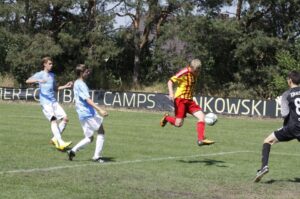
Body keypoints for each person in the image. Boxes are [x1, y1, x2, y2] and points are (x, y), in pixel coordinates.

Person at [254, 70, 300, 182]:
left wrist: (280, 104)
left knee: (267, 141)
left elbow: (285, 114)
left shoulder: (286, 95)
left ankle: (264, 167)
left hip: (292, 127)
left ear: (290, 80)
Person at [160, 59, 214, 146]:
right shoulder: (184, 72)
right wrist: (171, 93)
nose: (197, 73)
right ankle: (166, 118)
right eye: (195, 71)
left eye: (198, 71)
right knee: (178, 124)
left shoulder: (196, 73)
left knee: (202, 117)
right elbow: (170, 81)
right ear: (191, 68)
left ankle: (201, 140)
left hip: (189, 100)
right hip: (180, 100)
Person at [26, 57, 73, 151]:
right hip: (45, 102)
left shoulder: (52, 75)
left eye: (52, 64)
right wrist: (38, 80)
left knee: (65, 119)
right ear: (45, 64)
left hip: (53, 101)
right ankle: (60, 142)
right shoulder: (40, 74)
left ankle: (55, 139)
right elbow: (28, 81)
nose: (51, 65)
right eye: (50, 63)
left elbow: (55, 88)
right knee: (54, 120)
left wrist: (66, 86)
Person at [67, 64, 108, 163]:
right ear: (81, 73)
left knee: (90, 138)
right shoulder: (81, 84)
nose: (88, 73)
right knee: (101, 131)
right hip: (88, 113)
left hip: (81, 114)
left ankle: (72, 150)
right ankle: (97, 156)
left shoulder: (76, 83)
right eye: (86, 71)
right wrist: (100, 109)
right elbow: (87, 100)